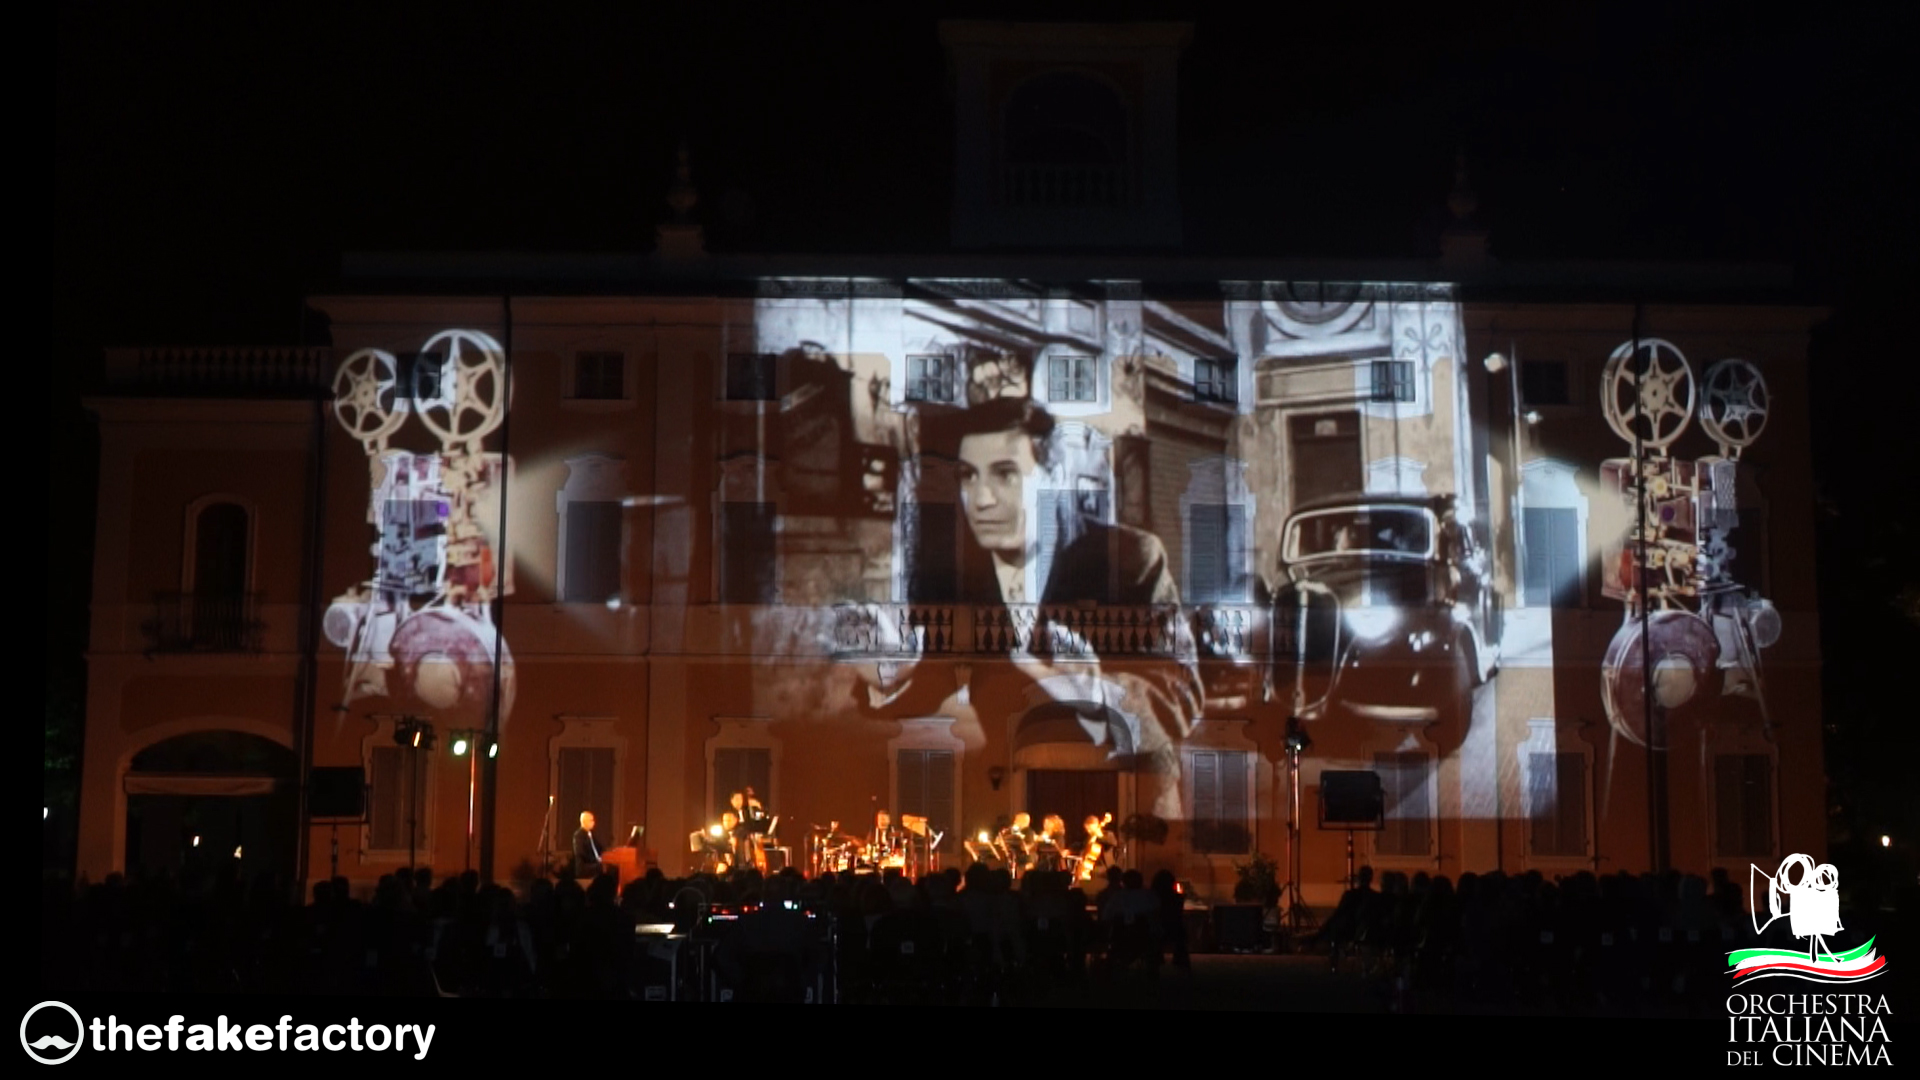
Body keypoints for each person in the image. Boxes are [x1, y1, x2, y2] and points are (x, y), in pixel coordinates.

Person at [852, 398, 1203, 825]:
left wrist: (1098, 694)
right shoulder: (956, 579)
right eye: (968, 476)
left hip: (1130, 807)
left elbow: (1181, 692)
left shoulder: (1129, 559)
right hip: (1019, 812)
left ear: (1054, 477)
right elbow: (930, 676)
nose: (981, 499)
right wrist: (890, 678)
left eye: (1005, 474)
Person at [572, 811, 602, 878]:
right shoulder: (578, 835)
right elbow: (580, 853)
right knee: (602, 867)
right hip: (584, 866)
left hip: (594, 863)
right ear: (584, 822)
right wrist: (596, 860)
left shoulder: (591, 834)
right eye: (591, 820)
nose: (594, 822)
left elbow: (599, 848)